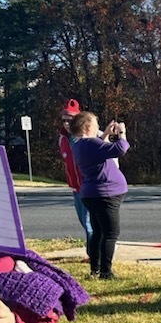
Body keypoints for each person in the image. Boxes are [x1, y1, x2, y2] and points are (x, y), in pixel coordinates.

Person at [69, 111, 129, 280]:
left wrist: (105, 134)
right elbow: (121, 148)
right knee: (110, 233)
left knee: (97, 232)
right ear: (87, 127)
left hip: (92, 193)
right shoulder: (90, 144)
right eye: (95, 124)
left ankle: (95, 269)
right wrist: (122, 133)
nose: (97, 127)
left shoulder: (79, 144)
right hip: (106, 194)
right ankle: (106, 272)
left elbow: (97, 149)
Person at [57, 98, 93, 253]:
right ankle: (95, 251)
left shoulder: (88, 136)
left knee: (90, 223)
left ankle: (95, 254)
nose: (66, 123)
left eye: (70, 119)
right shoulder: (63, 138)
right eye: (64, 120)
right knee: (83, 221)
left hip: (90, 186)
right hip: (76, 187)